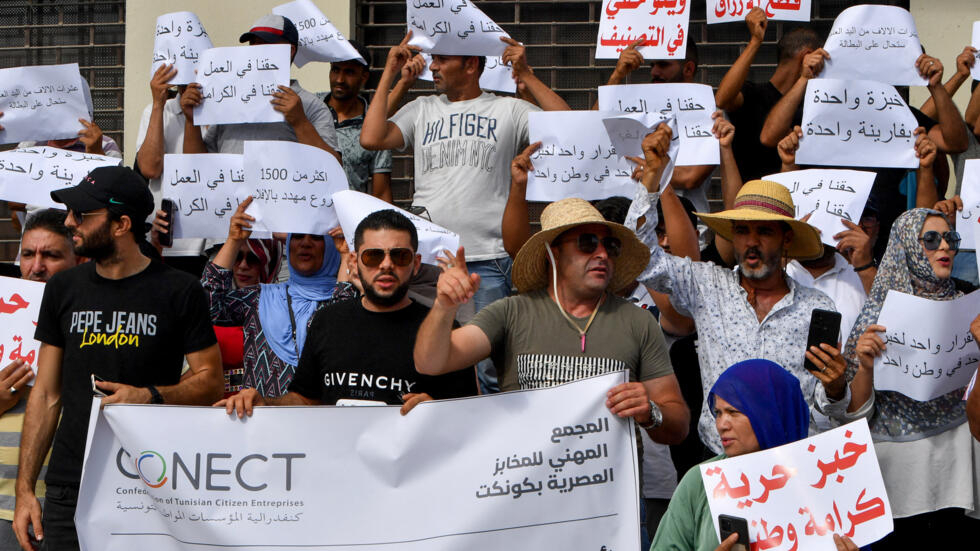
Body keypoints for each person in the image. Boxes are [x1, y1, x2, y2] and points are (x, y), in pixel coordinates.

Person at [13, 166, 223, 551]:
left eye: (82, 214)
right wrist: (25, 490)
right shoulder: (63, 288)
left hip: (148, 483)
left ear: (121, 224)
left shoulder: (180, 290)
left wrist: (150, 395)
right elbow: (45, 395)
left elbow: (211, 381)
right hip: (69, 485)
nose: (70, 222)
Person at [361, 32, 571, 393]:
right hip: (428, 263)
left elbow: (568, 126)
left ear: (471, 64)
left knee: (488, 370)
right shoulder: (422, 108)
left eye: (443, 59)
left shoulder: (508, 109)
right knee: (422, 360)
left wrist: (529, 75)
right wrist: (389, 73)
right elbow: (372, 137)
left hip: (487, 261)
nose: (434, 66)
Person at [627, 124, 849, 454]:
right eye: (742, 231)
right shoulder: (707, 286)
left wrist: (835, 389)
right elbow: (640, 258)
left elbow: (825, 408)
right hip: (720, 460)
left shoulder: (819, 308)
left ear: (786, 238)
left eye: (764, 231)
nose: (752, 242)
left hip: (791, 462)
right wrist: (653, 182)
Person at [414, 196, 689, 447]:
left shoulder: (637, 322)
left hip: (610, 494)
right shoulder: (511, 313)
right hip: (530, 488)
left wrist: (650, 411)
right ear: (552, 254)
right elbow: (430, 362)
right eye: (587, 243)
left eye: (610, 245)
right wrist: (444, 306)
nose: (602, 254)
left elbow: (678, 426)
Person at [219, 209, 477, 416]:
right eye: (373, 256)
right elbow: (306, 399)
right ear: (354, 262)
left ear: (416, 264)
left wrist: (437, 411)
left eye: (399, 256)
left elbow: (472, 417)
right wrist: (265, 402)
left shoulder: (443, 331)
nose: (386, 265)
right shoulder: (328, 320)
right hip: (335, 469)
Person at [841, 208, 980, 548]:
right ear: (907, 245)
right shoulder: (877, 315)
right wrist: (865, 364)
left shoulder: (968, 308)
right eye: (931, 239)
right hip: (900, 470)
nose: (944, 247)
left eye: (951, 238)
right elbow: (856, 413)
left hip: (959, 459)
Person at [759, 46, 968, 259]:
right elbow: (769, 136)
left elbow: (956, 142)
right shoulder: (818, 113)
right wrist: (804, 79)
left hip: (885, 244)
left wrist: (935, 86)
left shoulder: (902, 116)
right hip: (825, 246)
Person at [651, 359, 862, 551]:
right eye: (718, 413)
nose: (722, 425)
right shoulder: (699, 482)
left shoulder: (825, 477)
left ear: (769, 414)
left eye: (734, 412)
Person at [201, 197, 353, 398]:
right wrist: (234, 240)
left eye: (316, 237)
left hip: (322, 420)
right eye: (297, 236)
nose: (305, 243)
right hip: (261, 422)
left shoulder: (348, 297)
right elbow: (208, 305)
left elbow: (343, 326)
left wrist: (344, 255)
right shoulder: (259, 298)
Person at [0, 210, 80, 549]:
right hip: (4, 508)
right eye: (29, 254)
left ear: (79, 259)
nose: (37, 267)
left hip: (73, 505)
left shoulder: (99, 316)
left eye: (51, 255)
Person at [181, 14, 340, 160]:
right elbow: (198, 166)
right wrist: (190, 121)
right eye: (253, 44)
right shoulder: (228, 100)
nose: (257, 51)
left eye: (266, 44)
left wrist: (300, 122)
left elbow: (333, 167)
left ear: (290, 51)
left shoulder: (311, 106)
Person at [602, 36, 715, 216]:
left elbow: (691, 177)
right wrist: (618, 75)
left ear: (688, 68)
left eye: (663, 65)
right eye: (651, 65)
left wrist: (651, 171)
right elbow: (595, 126)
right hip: (635, 223)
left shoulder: (710, 114)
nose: (654, 71)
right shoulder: (639, 107)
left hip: (684, 228)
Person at [714, 8, 822, 181]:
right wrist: (755, 40)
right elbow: (722, 99)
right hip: (749, 204)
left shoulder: (811, 108)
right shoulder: (753, 94)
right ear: (807, 56)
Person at [134, 63, 208, 276]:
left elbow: (199, 172)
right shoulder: (157, 110)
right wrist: (158, 104)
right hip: (163, 239)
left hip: (207, 243)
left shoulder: (220, 111)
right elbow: (149, 168)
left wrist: (191, 118)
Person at [325, 40, 393, 202]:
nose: (340, 79)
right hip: (305, 220)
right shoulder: (309, 109)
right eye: (336, 70)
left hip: (349, 222)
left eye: (349, 72)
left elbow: (382, 194)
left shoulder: (374, 125)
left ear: (364, 76)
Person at [214, 239, 283, 397]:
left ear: (270, 263)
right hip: (217, 407)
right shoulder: (217, 306)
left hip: (264, 408)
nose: (243, 266)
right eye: (237, 256)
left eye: (253, 259)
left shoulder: (285, 307)